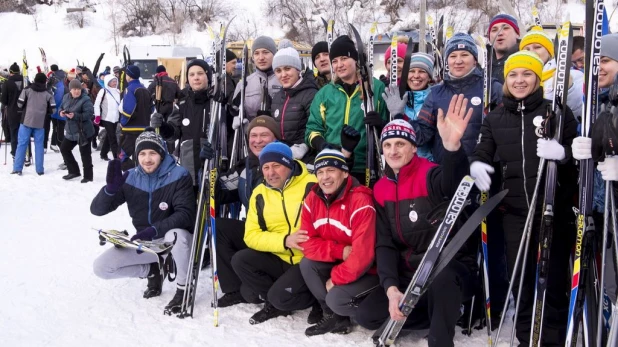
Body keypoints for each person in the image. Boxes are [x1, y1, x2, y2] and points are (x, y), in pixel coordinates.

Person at [469, 50, 578, 345]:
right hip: (515, 213)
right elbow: (484, 148)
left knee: (552, 278)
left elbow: (577, 155)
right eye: (513, 75)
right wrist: (478, 162)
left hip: (552, 210)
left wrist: (564, 153)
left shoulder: (556, 112)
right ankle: (526, 336)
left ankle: (551, 338)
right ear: (505, 80)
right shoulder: (495, 118)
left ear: (537, 78)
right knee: (522, 278)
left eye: (527, 74)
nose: (519, 80)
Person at [355, 96, 477, 347]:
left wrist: (453, 149)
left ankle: (441, 334)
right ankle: (435, 313)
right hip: (410, 273)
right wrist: (390, 289)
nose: (393, 151)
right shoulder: (380, 189)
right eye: (387, 145)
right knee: (366, 316)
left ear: (413, 147)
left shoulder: (430, 173)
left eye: (400, 144)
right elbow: (385, 244)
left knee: (443, 282)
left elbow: (455, 186)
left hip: (447, 268)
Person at [91, 129, 195, 313]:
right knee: (102, 268)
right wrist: (110, 190)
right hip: (147, 243)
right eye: (142, 154)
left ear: (161, 154)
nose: (147, 159)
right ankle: (152, 271)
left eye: (152, 153)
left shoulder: (179, 175)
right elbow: (97, 210)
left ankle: (184, 289)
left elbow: (185, 214)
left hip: (175, 242)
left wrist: (154, 230)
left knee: (176, 234)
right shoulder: (129, 177)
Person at [230, 141, 317, 324]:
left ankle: (313, 298)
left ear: (289, 164)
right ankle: (277, 298)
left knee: (279, 297)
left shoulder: (311, 185)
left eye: (277, 165)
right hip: (280, 256)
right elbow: (251, 235)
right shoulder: (260, 193)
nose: (271, 172)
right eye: (266, 167)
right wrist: (284, 240)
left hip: (307, 261)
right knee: (241, 262)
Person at [299, 142, 379, 336]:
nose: (325, 177)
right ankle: (335, 317)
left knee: (337, 299)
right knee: (308, 264)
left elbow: (363, 256)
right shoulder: (312, 198)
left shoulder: (360, 200)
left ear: (344, 173)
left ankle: (379, 312)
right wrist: (338, 251)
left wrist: (336, 278)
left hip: (369, 270)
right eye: (320, 172)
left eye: (331, 170)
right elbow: (306, 241)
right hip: (339, 261)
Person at [207, 116, 281, 308]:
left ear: (276, 139)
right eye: (254, 135)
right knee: (220, 227)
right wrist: (207, 169)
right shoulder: (245, 167)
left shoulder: (288, 164)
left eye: (264, 135)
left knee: (252, 295)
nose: (258, 140)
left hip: (281, 237)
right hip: (254, 232)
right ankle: (233, 288)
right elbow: (219, 193)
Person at [571, 33, 618, 303]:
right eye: (595, 61)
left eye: (607, 60)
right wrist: (576, 151)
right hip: (601, 206)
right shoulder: (596, 103)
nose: (599, 67)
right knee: (605, 283)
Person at [305, 35, 388, 184]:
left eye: (344, 58)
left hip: (366, 166)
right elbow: (312, 130)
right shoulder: (325, 93)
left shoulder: (375, 88)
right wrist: (322, 144)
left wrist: (381, 125)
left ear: (355, 60)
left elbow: (389, 128)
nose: (339, 65)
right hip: (332, 164)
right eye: (335, 61)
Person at [414, 33, 502, 163]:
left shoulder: (492, 87)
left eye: (465, 55)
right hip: (447, 167)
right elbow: (422, 135)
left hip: (484, 169)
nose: (458, 61)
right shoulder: (436, 93)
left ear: (475, 60)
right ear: (447, 61)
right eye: (453, 56)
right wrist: (398, 116)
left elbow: (508, 128)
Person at [151, 59, 211, 192]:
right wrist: (162, 127)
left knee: (210, 208)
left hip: (211, 163)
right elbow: (174, 132)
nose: (196, 77)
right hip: (188, 164)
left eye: (200, 73)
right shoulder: (183, 101)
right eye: (192, 74)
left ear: (208, 75)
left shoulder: (216, 100)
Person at [520, 26, 584, 120]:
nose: (532, 52)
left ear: (550, 52)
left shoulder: (573, 75)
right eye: (526, 49)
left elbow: (580, 114)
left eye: (537, 47)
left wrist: (569, 90)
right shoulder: (516, 78)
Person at [382, 52, 435, 161]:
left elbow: (421, 139)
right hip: (401, 163)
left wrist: (399, 115)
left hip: (428, 164)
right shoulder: (398, 98)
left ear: (429, 77)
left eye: (422, 71)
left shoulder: (434, 99)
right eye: (411, 71)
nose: (416, 76)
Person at [271, 46, 318, 164]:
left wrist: (305, 146)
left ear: (298, 69)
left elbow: (316, 127)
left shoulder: (310, 94)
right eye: (278, 71)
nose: (283, 75)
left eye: (287, 69)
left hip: (306, 158)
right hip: (282, 155)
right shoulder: (277, 96)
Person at [11, 72, 55, 176]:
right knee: (39, 145)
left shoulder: (27, 90)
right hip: (40, 122)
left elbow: (19, 104)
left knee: (22, 144)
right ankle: (39, 170)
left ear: (35, 79)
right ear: (45, 81)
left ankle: (17, 168)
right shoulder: (48, 94)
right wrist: (45, 111)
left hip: (26, 121)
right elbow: (53, 109)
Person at [232, 36, 280, 125]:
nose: (261, 57)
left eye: (265, 52)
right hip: (253, 136)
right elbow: (234, 113)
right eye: (256, 53)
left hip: (281, 136)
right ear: (253, 57)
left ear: (274, 54)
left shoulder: (283, 80)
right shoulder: (244, 84)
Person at [58, 78, 95, 182]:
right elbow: (60, 107)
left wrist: (75, 115)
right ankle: (74, 171)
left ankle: (88, 176)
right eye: (74, 89)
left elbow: (89, 114)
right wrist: (61, 112)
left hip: (84, 132)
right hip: (71, 131)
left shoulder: (85, 99)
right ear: (70, 90)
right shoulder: (66, 97)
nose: (76, 91)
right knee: (64, 149)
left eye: (78, 88)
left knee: (85, 154)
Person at [118, 65, 153, 171]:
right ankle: (140, 174)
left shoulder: (129, 89)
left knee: (121, 155)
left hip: (130, 129)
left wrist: (123, 122)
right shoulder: (145, 89)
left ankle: (131, 175)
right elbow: (151, 109)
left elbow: (128, 110)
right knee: (140, 155)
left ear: (129, 76)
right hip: (144, 128)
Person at [1, 63, 24, 162]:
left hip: (12, 111)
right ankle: (27, 154)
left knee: (14, 132)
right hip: (24, 111)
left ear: (10, 72)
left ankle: (15, 153)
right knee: (24, 133)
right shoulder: (25, 81)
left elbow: (4, 100)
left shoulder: (7, 83)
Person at [487, 14, 521, 83]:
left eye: (505, 28)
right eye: (494, 30)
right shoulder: (482, 67)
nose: (500, 33)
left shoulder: (526, 61)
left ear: (517, 34)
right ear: (489, 38)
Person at [94, 74, 121, 161]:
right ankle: (117, 157)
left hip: (115, 118)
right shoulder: (103, 91)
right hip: (106, 118)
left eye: (115, 81)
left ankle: (103, 153)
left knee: (109, 136)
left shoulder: (118, 91)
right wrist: (97, 116)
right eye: (112, 81)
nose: (114, 83)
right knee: (112, 137)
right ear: (108, 82)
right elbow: (97, 104)